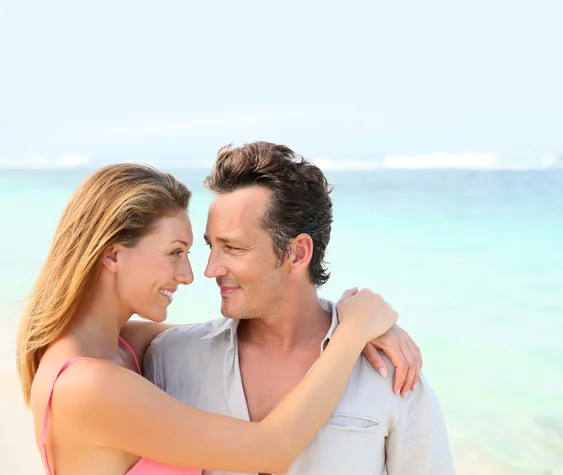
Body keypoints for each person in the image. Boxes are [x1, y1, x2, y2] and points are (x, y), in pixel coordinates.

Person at [15, 163, 410, 475]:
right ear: (113, 254)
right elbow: (271, 449)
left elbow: (256, 336)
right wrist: (353, 332)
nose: (189, 275)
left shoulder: (121, 344)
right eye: (174, 252)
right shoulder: (89, 385)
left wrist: (356, 323)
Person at [145, 142, 455, 475]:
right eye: (211, 246)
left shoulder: (391, 372)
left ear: (297, 254)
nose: (210, 269)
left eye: (232, 248)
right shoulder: (170, 361)